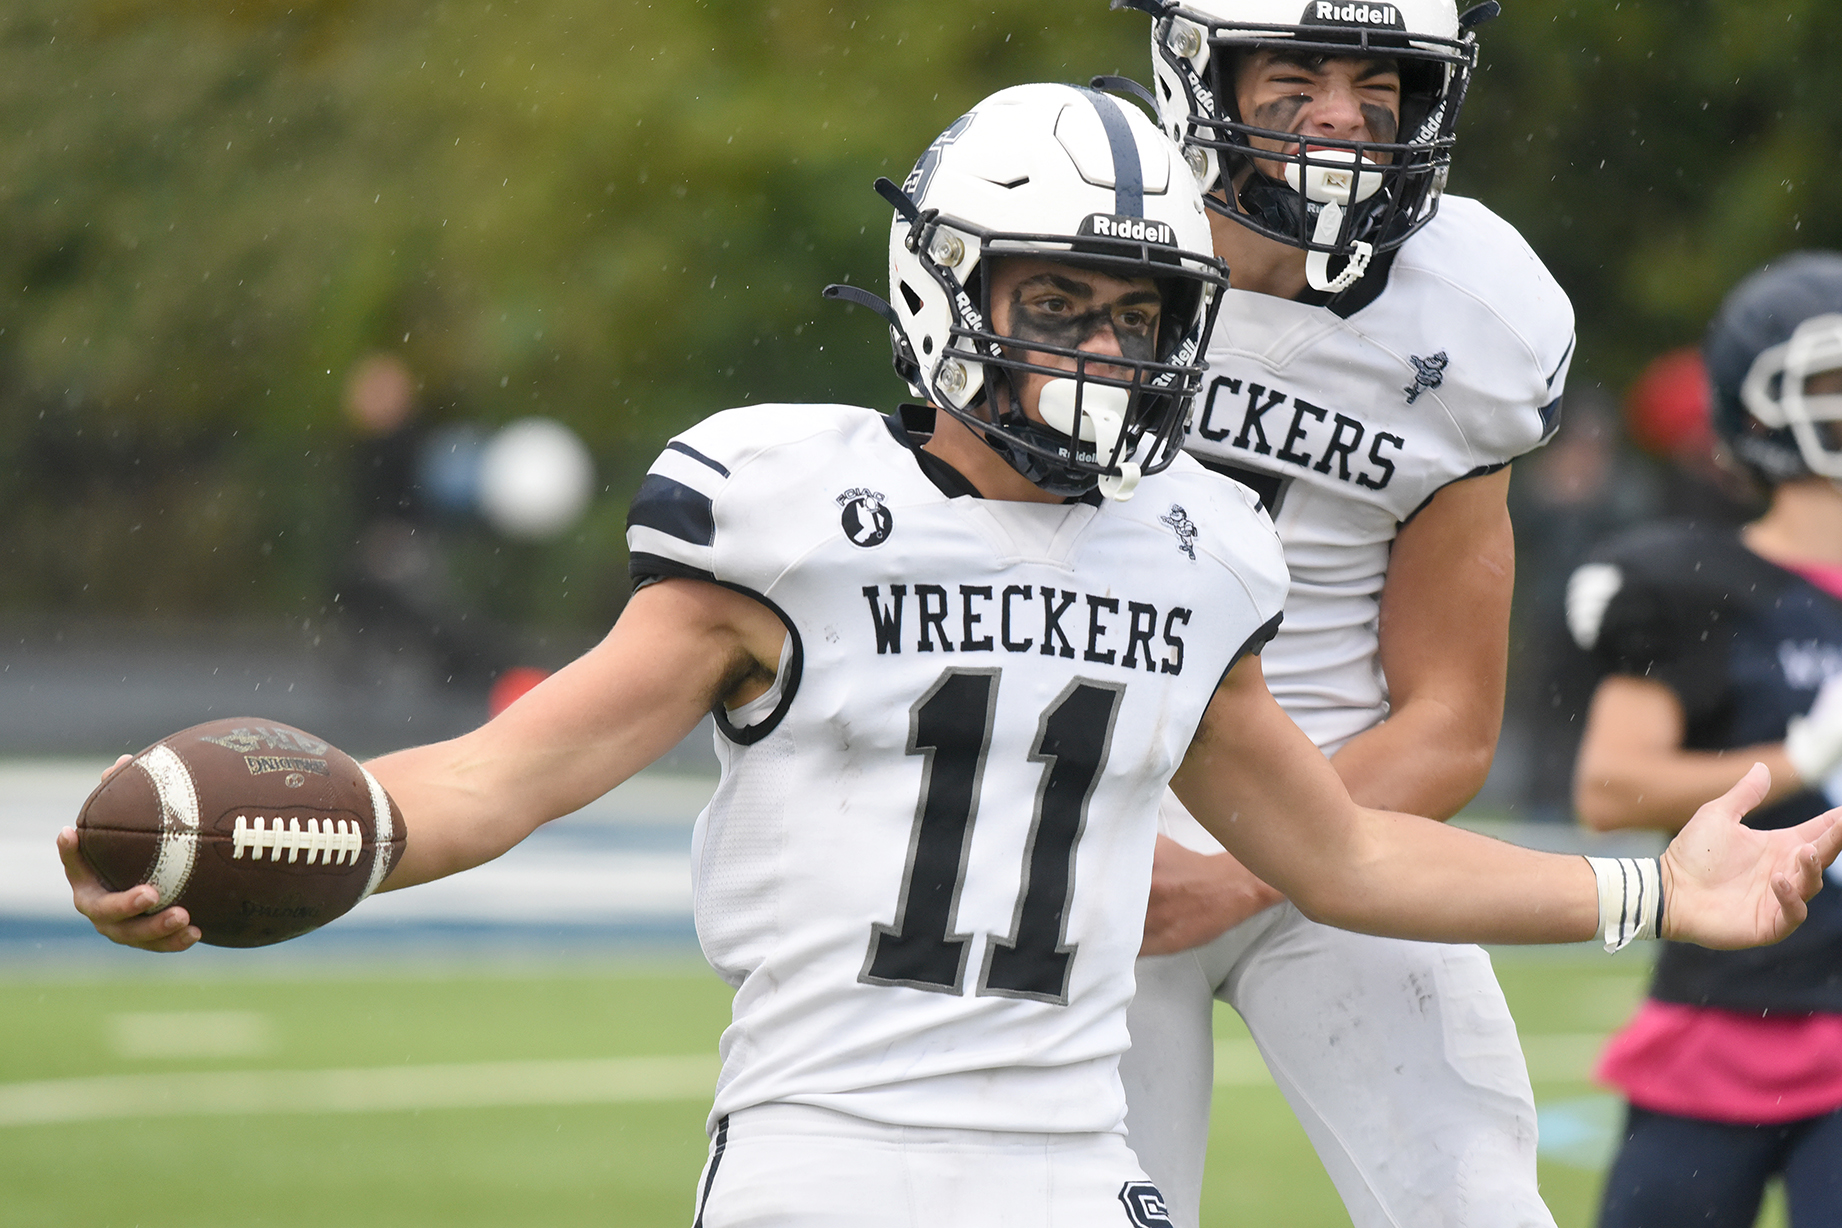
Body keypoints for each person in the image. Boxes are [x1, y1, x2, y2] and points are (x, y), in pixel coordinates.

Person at [60, 86, 1837, 1228]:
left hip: (1076, 1167)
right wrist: (298, 830)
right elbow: (499, 777)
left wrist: (1648, 889)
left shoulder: (1198, 547)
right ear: (943, 291)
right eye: (1052, 301)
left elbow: (1342, 851)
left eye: (1135, 316)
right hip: (826, 1154)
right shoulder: (783, 510)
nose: (1093, 349)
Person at [1109, 2, 1577, 1225]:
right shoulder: (1083, 236)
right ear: (1199, 70)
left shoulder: (1472, 313)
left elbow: (1451, 723)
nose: (1340, 114)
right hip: (1091, 823)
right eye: (1298, 73)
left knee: (1478, 1207)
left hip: (1336, 813)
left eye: (1380, 81)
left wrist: (1255, 863)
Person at [1568, 252, 1842, 1228]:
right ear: (1756, 406)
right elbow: (1608, 789)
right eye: (1831, 380)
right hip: (1723, 1018)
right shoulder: (1694, 579)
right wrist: (1800, 764)